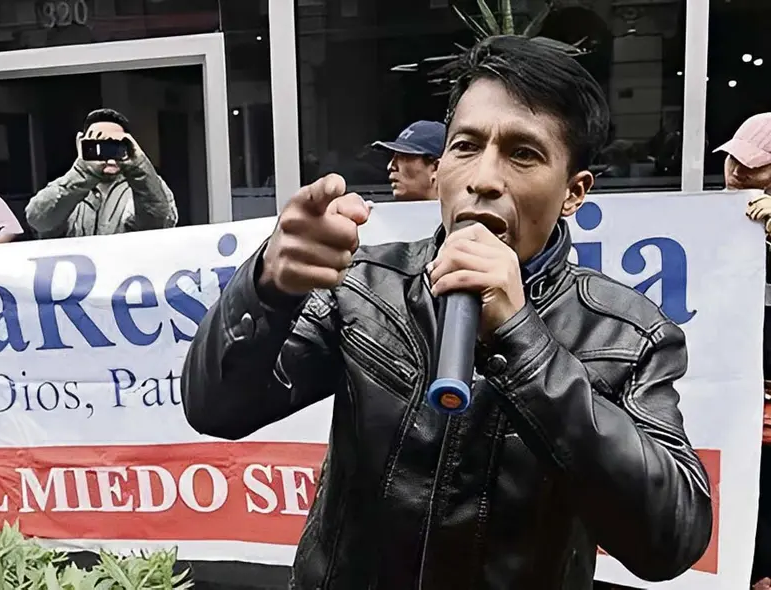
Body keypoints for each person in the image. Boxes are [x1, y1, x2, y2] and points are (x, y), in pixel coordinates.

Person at [180, 36, 711, 588]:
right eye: (465, 146)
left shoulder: (629, 334)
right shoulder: (365, 286)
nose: (483, 178)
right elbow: (216, 408)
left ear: (574, 192)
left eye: (522, 154)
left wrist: (522, 340)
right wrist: (268, 285)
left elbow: (669, 538)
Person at [714, 112, 771, 589]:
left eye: (754, 166)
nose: (737, 172)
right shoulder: (719, 226)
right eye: (733, 159)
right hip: (735, 415)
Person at [24, 108, 177, 238]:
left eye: (115, 144)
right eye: (98, 145)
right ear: (81, 143)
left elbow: (158, 225)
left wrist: (138, 167)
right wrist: (82, 172)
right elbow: (38, 220)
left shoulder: (147, 187)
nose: (108, 154)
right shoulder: (66, 186)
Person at [371, 120, 446, 201]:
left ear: (435, 168)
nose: (390, 166)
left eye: (403, 157)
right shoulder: (381, 212)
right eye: (393, 156)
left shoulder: (456, 212)